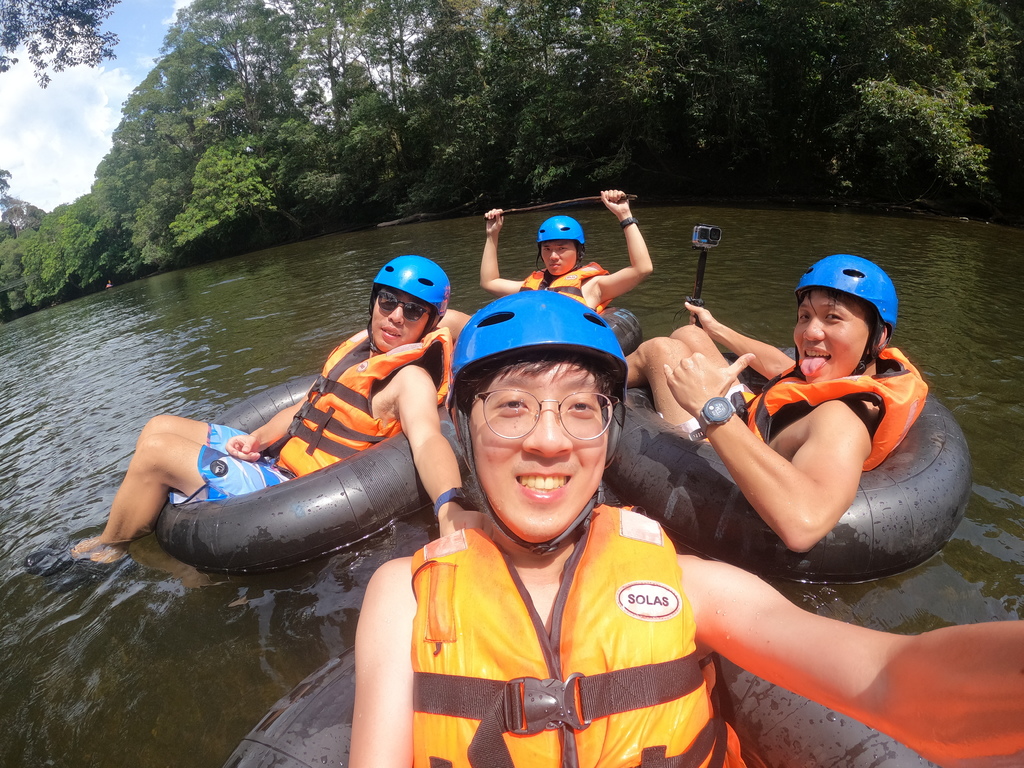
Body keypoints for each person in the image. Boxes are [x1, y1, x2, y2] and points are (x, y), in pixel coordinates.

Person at [350, 291, 1024, 768]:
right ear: (464, 429)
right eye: (513, 408)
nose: (550, 441)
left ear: (610, 428)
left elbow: (890, 678)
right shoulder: (403, 596)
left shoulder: (692, 584)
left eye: (580, 409)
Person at [68, 255, 470, 564]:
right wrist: (258, 438)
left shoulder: (410, 380)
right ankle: (135, 521)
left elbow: (428, 440)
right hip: (276, 460)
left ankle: (110, 549)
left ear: (430, 322)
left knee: (157, 453)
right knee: (159, 425)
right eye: (388, 301)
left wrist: (450, 508)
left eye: (413, 311)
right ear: (373, 302)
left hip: (292, 490)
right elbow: (306, 405)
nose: (396, 317)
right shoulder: (360, 354)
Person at [626, 254, 927, 552]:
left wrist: (710, 408)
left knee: (662, 350)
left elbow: (804, 525)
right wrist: (715, 329)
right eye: (805, 316)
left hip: (720, 447)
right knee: (688, 333)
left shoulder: (843, 420)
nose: (810, 332)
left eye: (833, 317)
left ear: (879, 336)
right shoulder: (854, 371)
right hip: (747, 420)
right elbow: (781, 367)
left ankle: (591, 375)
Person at [480, 189, 653, 311]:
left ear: (579, 251)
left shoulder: (594, 286)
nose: (553, 256)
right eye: (547, 249)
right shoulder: (531, 284)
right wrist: (492, 235)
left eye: (561, 248)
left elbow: (642, 268)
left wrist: (624, 216)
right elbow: (489, 282)